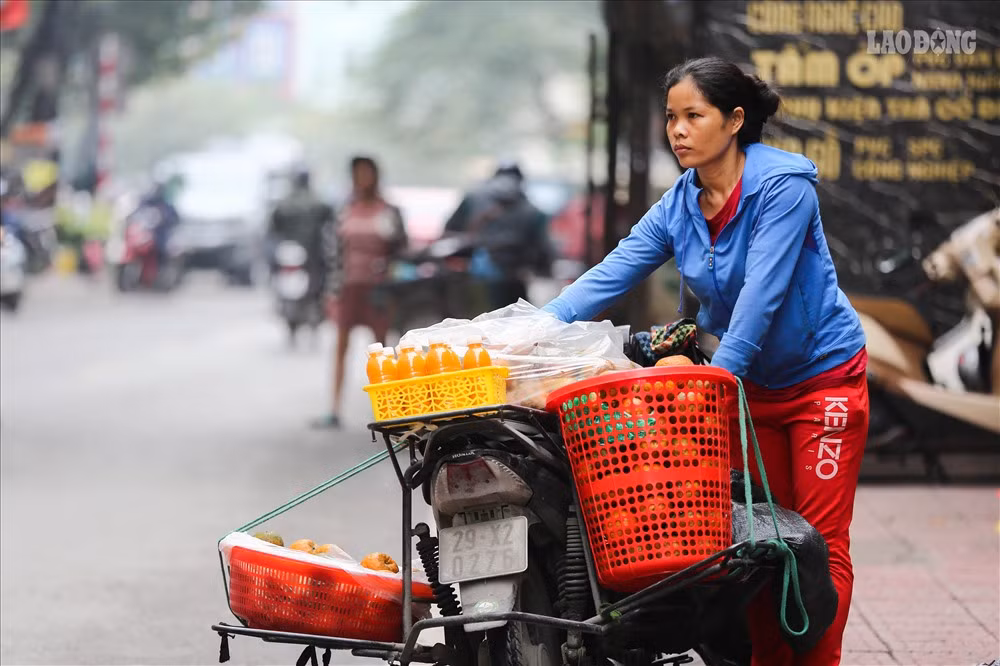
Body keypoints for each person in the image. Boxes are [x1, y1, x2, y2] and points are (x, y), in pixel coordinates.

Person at [541, 57, 868, 666]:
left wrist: (716, 380)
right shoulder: (681, 203)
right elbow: (613, 271)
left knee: (818, 542)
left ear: (735, 120)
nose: (678, 131)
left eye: (694, 115)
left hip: (821, 382)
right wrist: (531, 330)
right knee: (758, 544)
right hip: (746, 392)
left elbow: (762, 297)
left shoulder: (783, 186)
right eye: (671, 117)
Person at [314, 156, 407, 429]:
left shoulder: (389, 211)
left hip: (378, 289)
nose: (362, 178)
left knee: (381, 350)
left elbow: (401, 249)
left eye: (367, 172)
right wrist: (331, 290)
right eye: (357, 173)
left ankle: (391, 412)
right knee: (341, 345)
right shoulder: (344, 210)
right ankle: (334, 409)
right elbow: (333, 252)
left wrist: (391, 280)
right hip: (347, 286)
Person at [444, 161, 552, 310]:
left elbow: (450, 231)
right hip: (513, 282)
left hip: (470, 279)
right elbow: (542, 250)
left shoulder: (472, 198)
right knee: (511, 324)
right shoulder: (532, 210)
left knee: (471, 325)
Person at [267, 166, 332, 289]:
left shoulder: (284, 203)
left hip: (297, 251)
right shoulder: (318, 202)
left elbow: (273, 229)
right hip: (309, 252)